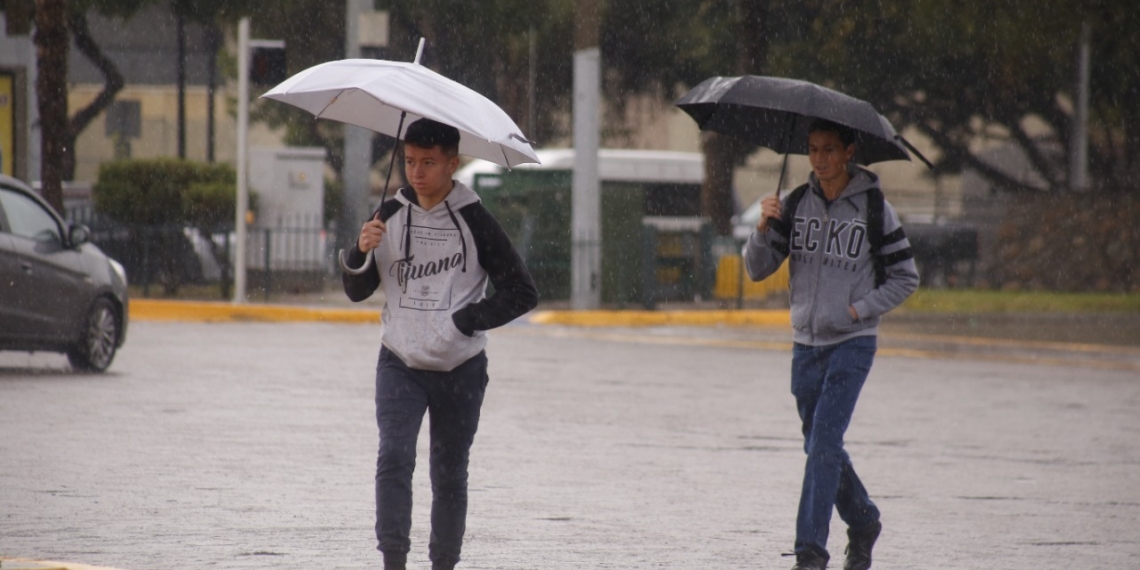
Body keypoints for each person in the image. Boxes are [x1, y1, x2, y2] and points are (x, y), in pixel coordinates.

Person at [342, 118, 538, 570]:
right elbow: (356, 289)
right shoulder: (386, 215)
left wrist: (469, 320)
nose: (416, 173)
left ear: (453, 163)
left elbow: (522, 291)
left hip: (460, 368)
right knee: (394, 456)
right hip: (399, 362)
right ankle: (393, 561)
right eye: (410, 161)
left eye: (428, 163)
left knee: (448, 476)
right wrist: (359, 250)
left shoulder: (475, 219)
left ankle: (443, 564)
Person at [744, 119, 919, 570]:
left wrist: (859, 311)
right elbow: (758, 270)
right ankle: (863, 522)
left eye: (828, 150)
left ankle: (810, 553)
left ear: (848, 152)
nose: (819, 159)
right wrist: (762, 229)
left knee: (823, 443)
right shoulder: (796, 203)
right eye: (812, 150)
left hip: (852, 344)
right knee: (819, 447)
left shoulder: (875, 208)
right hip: (805, 344)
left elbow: (905, 277)